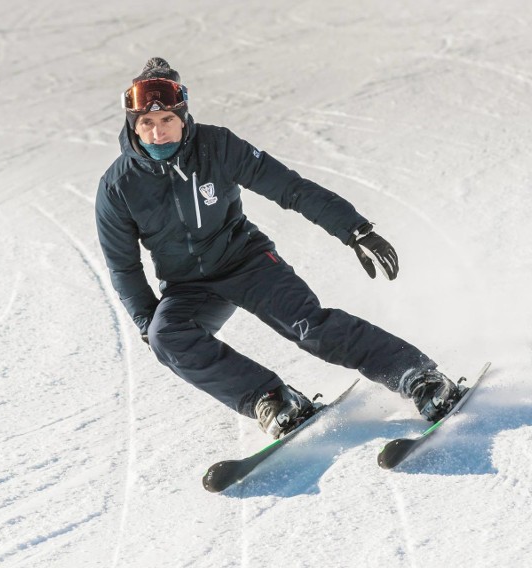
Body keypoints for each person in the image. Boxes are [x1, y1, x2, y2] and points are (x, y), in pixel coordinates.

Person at [95, 57, 463, 439]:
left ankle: (417, 376)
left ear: (183, 118)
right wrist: (146, 321)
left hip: (247, 262)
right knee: (165, 337)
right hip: (189, 286)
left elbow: (289, 187)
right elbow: (123, 266)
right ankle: (271, 399)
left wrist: (353, 229)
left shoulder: (217, 146)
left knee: (309, 328)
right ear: (133, 126)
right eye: (147, 123)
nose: (158, 133)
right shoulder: (118, 187)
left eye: (167, 120)